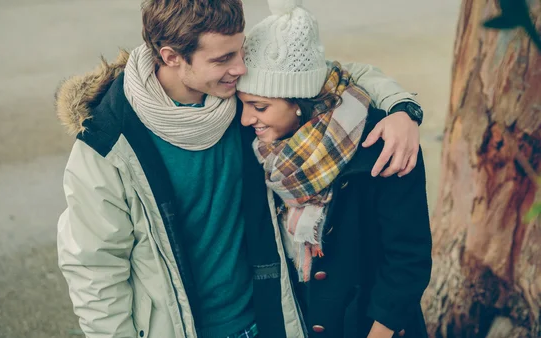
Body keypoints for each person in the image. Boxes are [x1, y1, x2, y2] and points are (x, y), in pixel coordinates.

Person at [54, 0, 426, 337]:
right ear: (171, 57)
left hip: (269, 319)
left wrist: (402, 109)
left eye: (241, 51)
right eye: (223, 59)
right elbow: (95, 273)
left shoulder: (237, 98)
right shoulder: (108, 143)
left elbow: (334, 75)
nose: (241, 68)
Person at [236, 1, 432, 337]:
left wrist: (404, 109)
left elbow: (408, 259)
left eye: (259, 107)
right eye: (242, 103)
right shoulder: (260, 148)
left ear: (298, 102)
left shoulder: (383, 145)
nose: (245, 118)